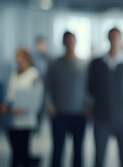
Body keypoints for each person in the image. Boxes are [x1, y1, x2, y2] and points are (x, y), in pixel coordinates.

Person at [88, 28, 123, 167]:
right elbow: (90, 87)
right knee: (99, 157)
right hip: (101, 117)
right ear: (108, 38)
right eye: (112, 37)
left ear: (121, 40)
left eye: (117, 37)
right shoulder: (96, 63)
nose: (114, 40)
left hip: (122, 117)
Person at [45, 31, 89, 167]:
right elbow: (47, 88)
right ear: (63, 43)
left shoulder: (84, 65)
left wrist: (88, 106)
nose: (70, 44)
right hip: (59, 113)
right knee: (58, 150)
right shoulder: (54, 64)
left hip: (79, 114)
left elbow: (89, 88)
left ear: (75, 43)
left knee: (78, 151)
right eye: (67, 41)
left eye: (72, 41)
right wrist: (50, 106)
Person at [0, 48, 43, 167]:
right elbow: (10, 94)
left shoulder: (33, 74)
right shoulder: (14, 74)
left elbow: (37, 96)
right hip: (12, 118)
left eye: (20, 58)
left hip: (26, 119)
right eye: (17, 59)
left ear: (27, 59)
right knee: (15, 152)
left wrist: (23, 109)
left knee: (23, 151)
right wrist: (5, 104)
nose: (18, 61)